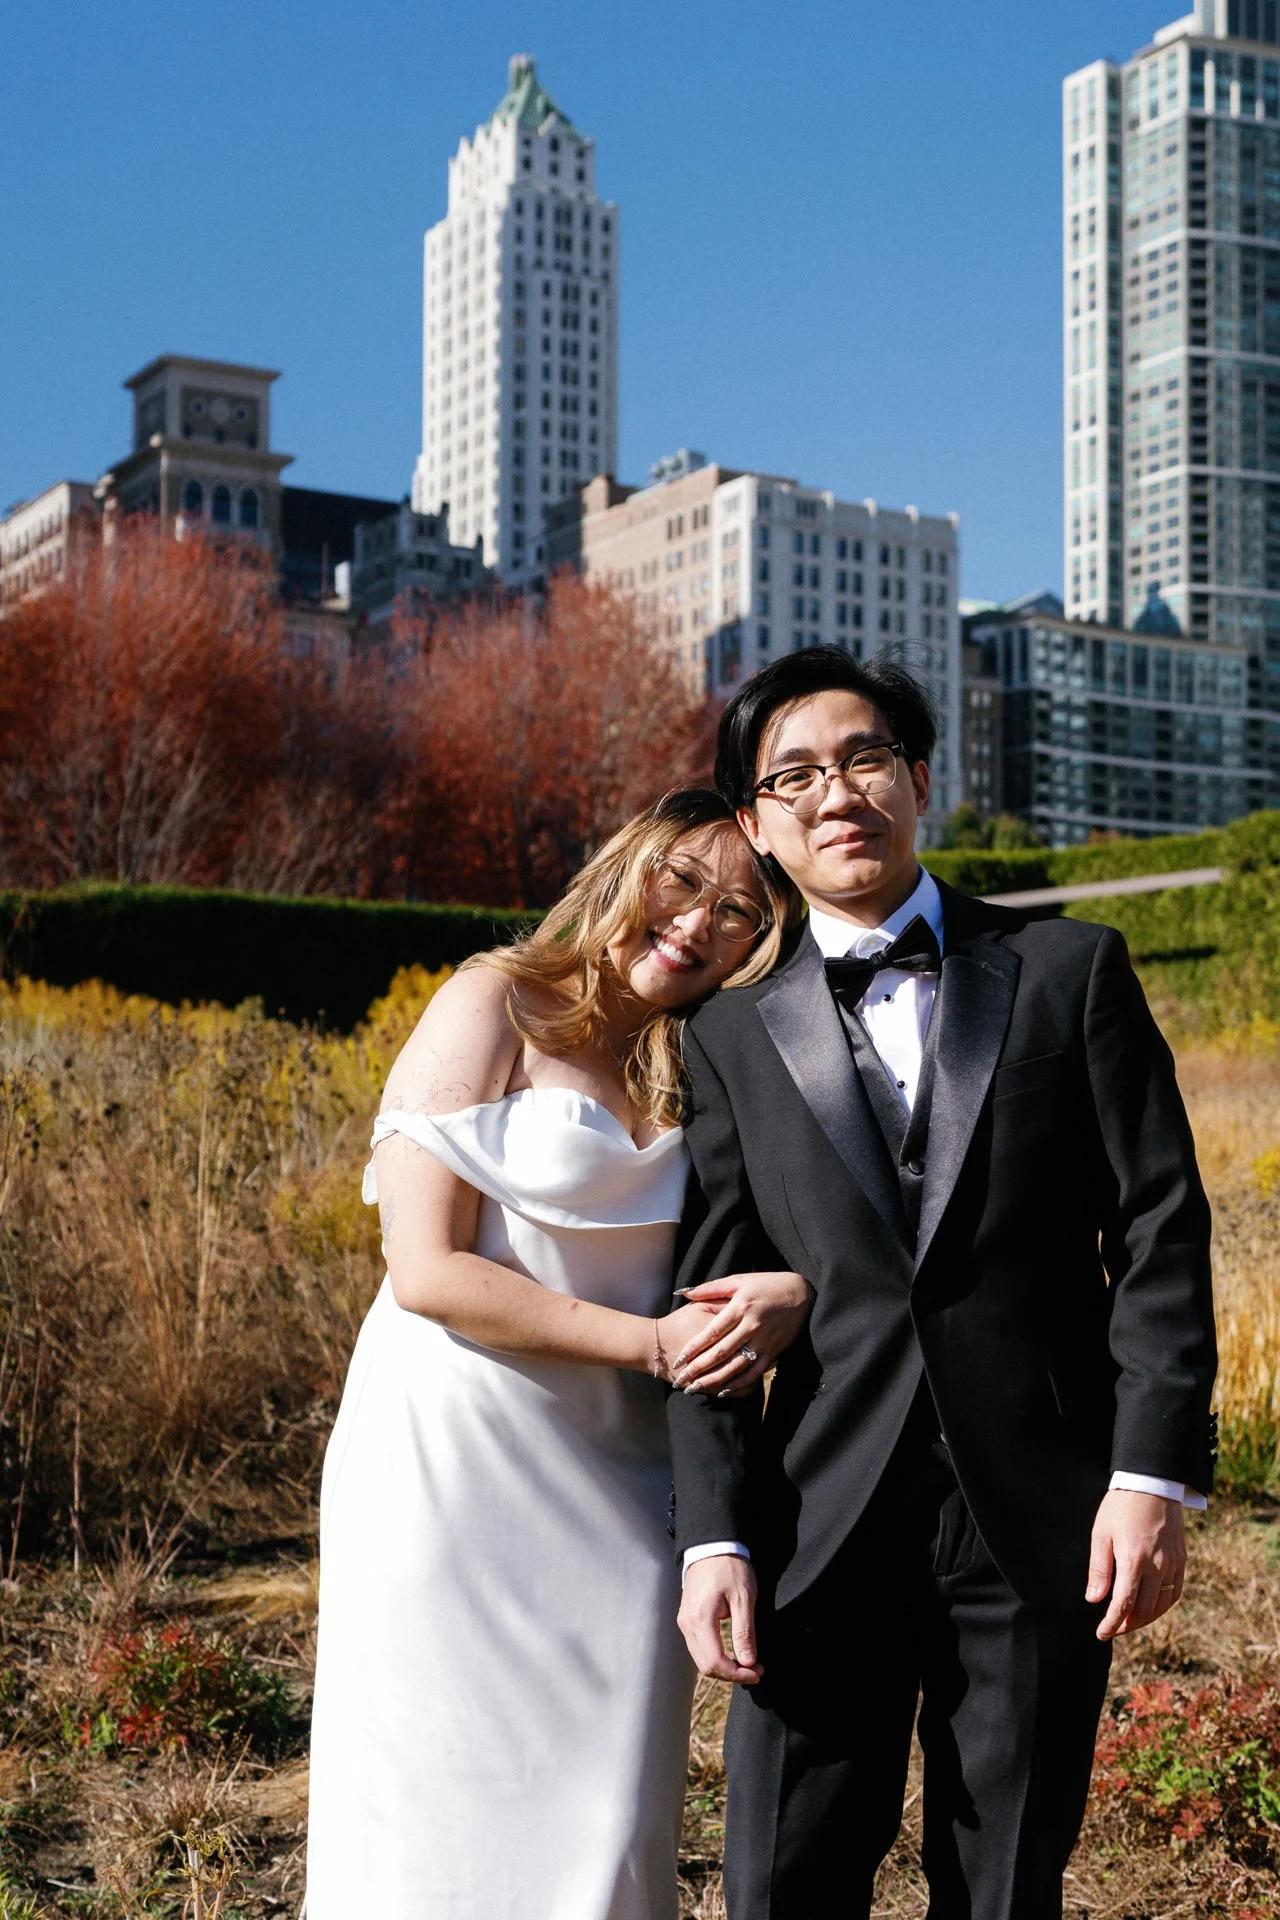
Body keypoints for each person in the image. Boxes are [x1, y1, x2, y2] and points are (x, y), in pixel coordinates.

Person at [667, 649, 1217, 1920]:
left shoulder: (1070, 971)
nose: (835, 793)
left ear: (918, 777)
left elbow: (1158, 1230)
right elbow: (710, 1311)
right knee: (778, 1882)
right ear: (755, 825)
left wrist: (1147, 1477)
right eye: (792, 776)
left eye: (862, 759)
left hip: (1037, 1521)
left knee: (1004, 1885)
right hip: (814, 1524)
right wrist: (713, 1533)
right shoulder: (727, 1035)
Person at [306, 788, 814, 1920]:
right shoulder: (493, 1000)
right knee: (426, 1802)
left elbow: (784, 1232)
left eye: (737, 910)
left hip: (628, 1479)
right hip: (451, 1470)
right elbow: (426, 1270)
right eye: (680, 881)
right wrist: (654, 1343)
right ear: (625, 867)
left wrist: (791, 1292)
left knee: (609, 1822)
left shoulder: (713, 1058)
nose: (694, 923)